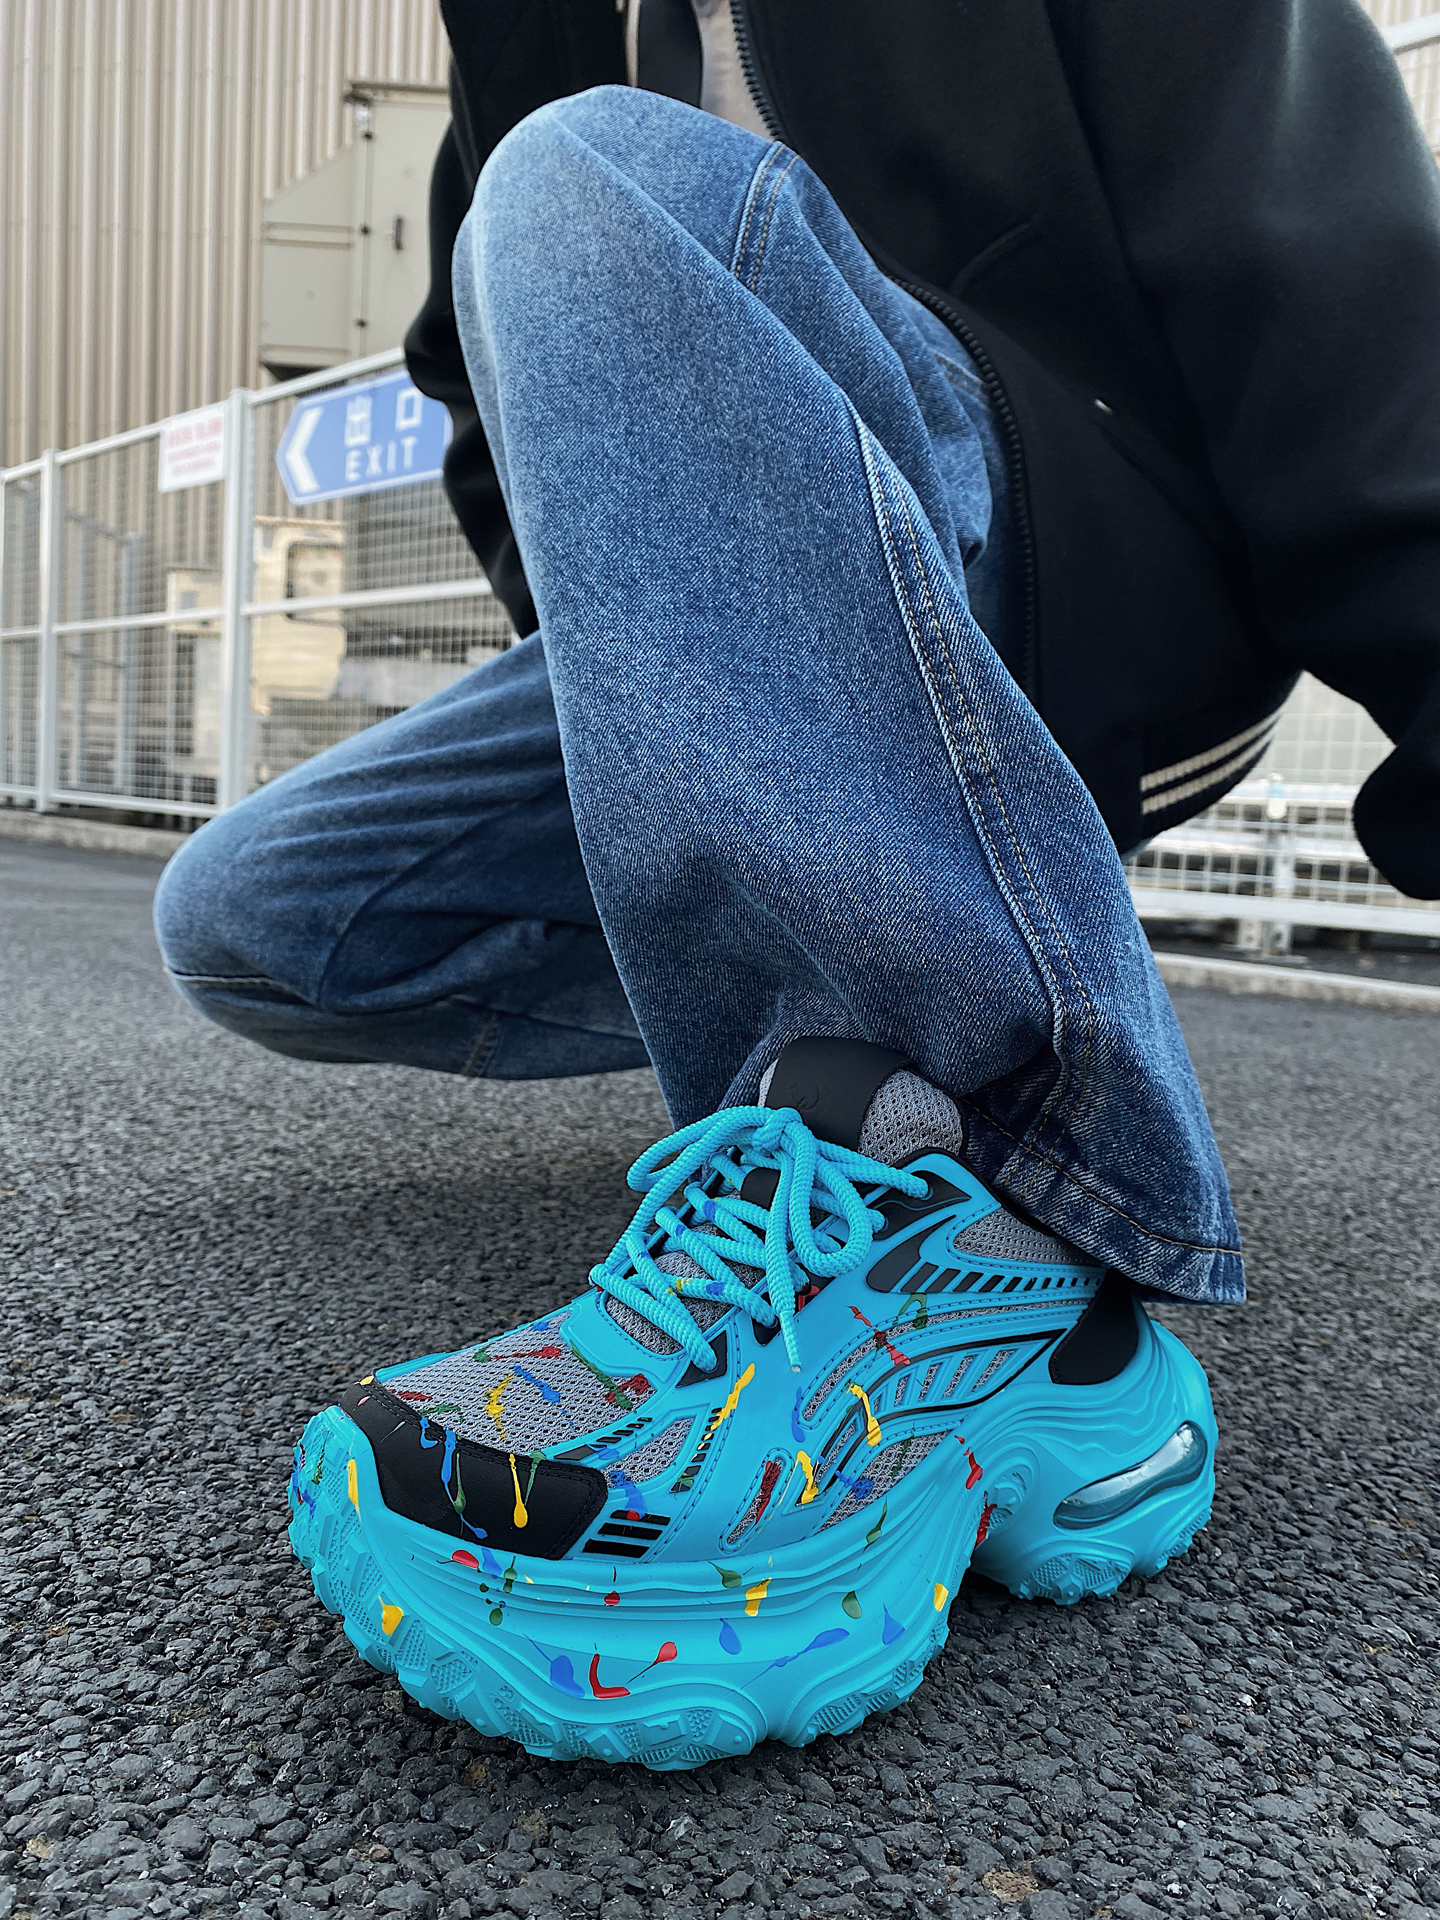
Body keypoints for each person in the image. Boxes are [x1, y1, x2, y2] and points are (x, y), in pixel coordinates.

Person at [153, 0, 1440, 1768]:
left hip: (1091, 572)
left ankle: (952, 1189)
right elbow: (473, 373)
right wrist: (649, 684)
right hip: (739, 608)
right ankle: (830, 1064)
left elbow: (1342, 289)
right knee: (258, 922)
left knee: (585, 171)